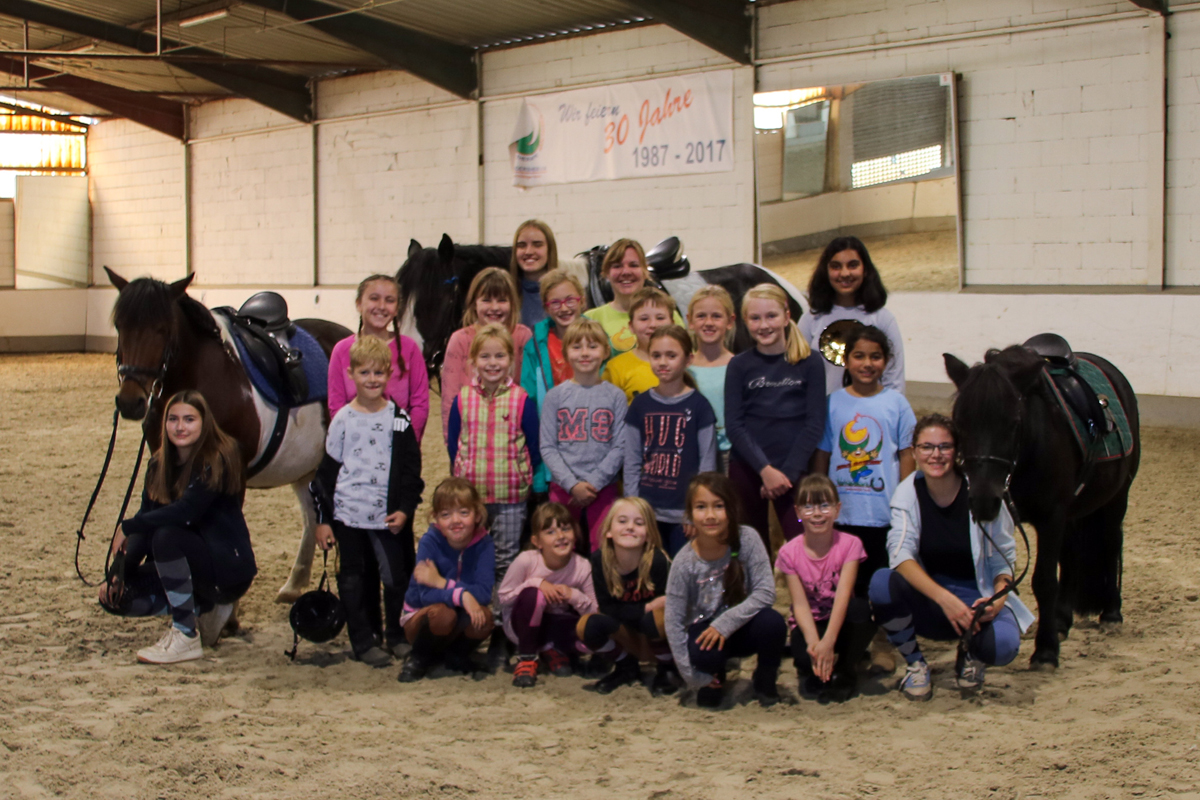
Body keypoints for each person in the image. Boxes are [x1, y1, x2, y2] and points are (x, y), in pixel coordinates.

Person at [868, 414, 1034, 701]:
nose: (936, 455)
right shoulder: (907, 494)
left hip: (977, 601)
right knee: (882, 583)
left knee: (1004, 646)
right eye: (927, 447)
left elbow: (1004, 558)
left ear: (957, 451)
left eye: (945, 447)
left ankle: (971, 654)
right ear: (915, 451)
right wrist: (945, 600)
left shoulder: (982, 492)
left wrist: (997, 599)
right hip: (934, 603)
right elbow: (900, 555)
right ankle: (916, 665)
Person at [99, 390, 255, 664]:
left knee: (167, 536)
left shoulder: (218, 458)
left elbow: (186, 513)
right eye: (173, 419)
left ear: (204, 422)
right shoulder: (160, 463)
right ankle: (201, 608)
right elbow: (147, 517)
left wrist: (128, 525)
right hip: (189, 564)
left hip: (224, 570)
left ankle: (185, 633)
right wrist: (118, 572)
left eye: (189, 419)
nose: (180, 427)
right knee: (118, 597)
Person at [312, 337, 424, 667]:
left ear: (389, 374)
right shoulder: (343, 420)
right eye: (364, 372)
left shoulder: (399, 418)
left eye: (379, 373)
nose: (372, 379)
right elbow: (326, 474)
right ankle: (362, 641)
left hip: (386, 517)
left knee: (395, 578)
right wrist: (324, 519)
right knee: (352, 578)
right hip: (348, 517)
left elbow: (410, 470)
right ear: (351, 374)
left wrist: (405, 508)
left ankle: (396, 636)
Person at [664, 473, 786, 708]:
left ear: (731, 509)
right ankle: (714, 678)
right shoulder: (684, 562)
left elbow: (766, 592)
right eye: (701, 507)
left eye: (718, 506)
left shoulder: (748, 539)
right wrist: (692, 677)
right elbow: (673, 622)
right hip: (706, 633)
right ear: (689, 514)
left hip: (741, 625)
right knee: (703, 654)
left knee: (773, 624)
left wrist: (725, 623)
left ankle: (765, 678)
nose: (710, 515)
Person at [810, 324, 916, 595]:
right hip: (843, 513)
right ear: (845, 361)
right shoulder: (832, 403)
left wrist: (903, 502)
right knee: (847, 586)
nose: (867, 363)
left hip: (883, 514)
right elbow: (823, 453)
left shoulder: (897, 404)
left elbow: (907, 453)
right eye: (859, 356)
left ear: (887, 361)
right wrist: (822, 500)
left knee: (882, 583)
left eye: (875, 356)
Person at [724, 283, 826, 552]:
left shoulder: (810, 362)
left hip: (794, 470)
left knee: (803, 543)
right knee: (749, 547)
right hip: (748, 468)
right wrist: (765, 471)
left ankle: (807, 595)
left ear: (786, 315)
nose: (764, 325)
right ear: (745, 321)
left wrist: (787, 475)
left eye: (771, 316)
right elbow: (734, 425)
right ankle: (756, 593)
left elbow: (815, 423)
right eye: (755, 318)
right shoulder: (739, 365)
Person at [446, 324, 541, 604]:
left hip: (510, 497)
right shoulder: (463, 399)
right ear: (473, 361)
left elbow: (533, 446)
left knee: (505, 560)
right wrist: (461, 473)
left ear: (511, 360)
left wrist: (524, 476)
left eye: (500, 356)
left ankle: (501, 623)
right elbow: (454, 444)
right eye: (485, 357)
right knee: (471, 557)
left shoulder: (521, 399)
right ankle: (474, 618)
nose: (492, 363)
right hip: (471, 497)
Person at [776, 474, 875, 703]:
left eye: (824, 505)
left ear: (837, 509)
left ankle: (846, 670)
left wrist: (829, 642)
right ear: (798, 512)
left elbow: (843, 595)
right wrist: (815, 645)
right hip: (811, 622)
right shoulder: (789, 552)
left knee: (861, 611)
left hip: (839, 620)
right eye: (808, 507)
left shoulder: (851, 544)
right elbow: (799, 605)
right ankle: (814, 668)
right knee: (803, 654)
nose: (817, 513)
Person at [624, 326, 717, 556]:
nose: (662, 362)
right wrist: (634, 508)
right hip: (647, 513)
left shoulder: (700, 406)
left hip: (683, 516)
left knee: (682, 576)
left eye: (671, 355)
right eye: (656, 355)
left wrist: (696, 510)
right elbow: (632, 461)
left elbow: (707, 466)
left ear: (688, 359)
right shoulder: (640, 405)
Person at [539, 318, 627, 550]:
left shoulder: (616, 396)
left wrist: (595, 482)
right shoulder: (555, 397)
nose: (585, 353)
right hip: (563, 487)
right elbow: (548, 446)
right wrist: (571, 484)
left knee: (603, 549)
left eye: (592, 346)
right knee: (560, 547)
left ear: (606, 351)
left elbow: (620, 446)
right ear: (566, 352)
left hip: (604, 487)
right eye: (577, 347)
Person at [398, 478, 495, 682]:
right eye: (446, 514)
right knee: (443, 614)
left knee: (485, 619)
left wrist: (444, 584)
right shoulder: (429, 542)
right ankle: (418, 658)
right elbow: (426, 596)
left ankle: (456, 655)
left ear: (477, 515)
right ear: (436, 518)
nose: (455, 520)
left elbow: (484, 593)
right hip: (424, 617)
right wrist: (463, 594)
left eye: (464, 512)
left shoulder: (484, 544)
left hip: (460, 616)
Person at [578, 497, 676, 695]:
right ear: (608, 531)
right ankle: (626, 666)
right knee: (587, 626)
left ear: (648, 534)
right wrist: (645, 608)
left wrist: (647, 612)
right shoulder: (599, 561)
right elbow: (607, 609)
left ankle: (667, 668)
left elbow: (671, 609)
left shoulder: (658, 561)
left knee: (655, 620)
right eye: (622, 521)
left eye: (639, 523)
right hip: (625, 633)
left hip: (657, 637)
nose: (630, 527)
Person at [498, 503, 599, 688]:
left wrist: (574, 595)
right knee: (535, 595)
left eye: (565, 529)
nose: (560, 536)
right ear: (537, 541)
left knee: (594, 638)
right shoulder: (527, 560)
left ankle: (549, 650)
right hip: (521, 626)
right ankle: (527, 658)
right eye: (550, 532)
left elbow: (595, 612)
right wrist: (536, 583)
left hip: (557, 625)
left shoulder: (583, 566)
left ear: (574, 533)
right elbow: (503, 598)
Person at [327, 273, 430, 441]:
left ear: (396, 309)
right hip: (356, 445)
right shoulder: (341, 350)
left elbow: (420, 404)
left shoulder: (409, 349)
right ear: (359, 304)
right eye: (374, 298)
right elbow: (336, 404)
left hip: (399, 443)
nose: (382, 306)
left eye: (390, 300)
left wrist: (407, 440)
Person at [799, 236, 905, 395]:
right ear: (826, 271)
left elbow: (894, 377)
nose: (845, 273)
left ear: (865, 269)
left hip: (870, 415)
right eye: (836, 266)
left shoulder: (882, 319)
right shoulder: (811, 320)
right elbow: (798, 374)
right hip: (823, 415)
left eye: (852, 265)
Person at [441, 267, 533, 436]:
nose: (495, 307)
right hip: (471, 435)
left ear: (512, 303)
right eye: (487, 300)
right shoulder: (460, 340)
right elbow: (449, 398)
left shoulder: (523, 337)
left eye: (502, 300)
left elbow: (529, 391)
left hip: (512, 435)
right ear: (474, 303)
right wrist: (451, 444)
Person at [522, 269, 590, 496]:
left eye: (570, 300)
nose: (564, 308)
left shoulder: (597, 338)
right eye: (555, 302)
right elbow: (529, 396)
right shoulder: (535, 347)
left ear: (582, 300)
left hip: (591, 444)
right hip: (553, 447)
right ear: (545, 306)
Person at [584, 238, 682, 355]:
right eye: (617, 266)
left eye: (633, 265)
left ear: (645, 271)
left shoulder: (668, 316)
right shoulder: (591, 319)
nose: (626, 272)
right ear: (606, 273)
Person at [687, 285, 736, 474]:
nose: (709, 323)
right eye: (701, 316)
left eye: (716, 316)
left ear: (730, 321)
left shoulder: (738, 366)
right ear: (690, 321)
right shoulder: (684, 369)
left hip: (732, 456)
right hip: (694, 455)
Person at [602, 287, 677, 403]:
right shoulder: (615, 368)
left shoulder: (686, 364)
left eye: (660, 318)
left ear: (672, 322)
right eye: (644, 319)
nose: (653, 324)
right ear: (631, 326)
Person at [510, 219, 558, 329]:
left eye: (537, 245)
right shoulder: (506, 294)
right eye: (522, 245)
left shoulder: (563, 294)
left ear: (549, 250)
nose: (528, 252)